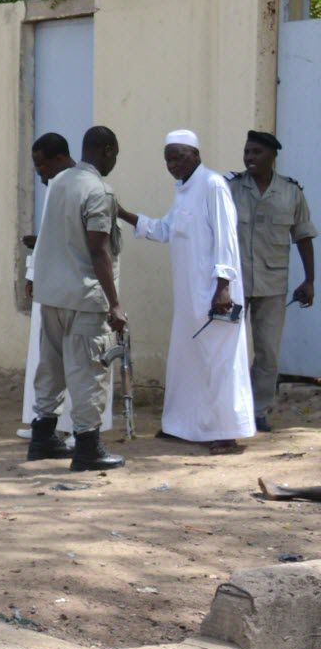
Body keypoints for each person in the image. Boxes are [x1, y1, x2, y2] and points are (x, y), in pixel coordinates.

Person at [116, 129, 254, 453]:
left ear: (195, 154)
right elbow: (165, 230)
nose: (172, 164)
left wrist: (223, 287)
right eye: (167, 158)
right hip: (189, 299)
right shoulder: (182, 191)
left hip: (215, 295)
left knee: (219, 364)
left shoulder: (213, 185)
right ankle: (182, 425)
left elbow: (226, 241)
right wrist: (122, 213)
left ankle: (226, 433)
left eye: (178, 156)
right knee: (188, 363)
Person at [28, 129, 127, 470]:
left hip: (52, 294)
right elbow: (99, 249)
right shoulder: (97, 189)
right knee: (89, 371)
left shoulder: (59, 184)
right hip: (84, 296)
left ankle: (42, 437)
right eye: (115, 155)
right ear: (108, 150)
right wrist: (114, 304)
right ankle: (88, 447)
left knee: (51, 368)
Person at [228, 130, 315, 432]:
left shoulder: (292, 192)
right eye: (247, 152)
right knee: (230, 350)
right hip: (234, 284)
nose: (249, 158)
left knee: (267, 352)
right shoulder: (230, 189)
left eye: (256, 153)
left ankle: (258, 410)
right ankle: (229, 409)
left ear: (272, 157)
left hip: (272, 284)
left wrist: (309, 280)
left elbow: (303, 237)